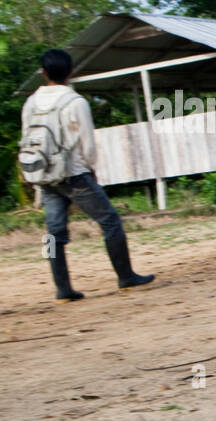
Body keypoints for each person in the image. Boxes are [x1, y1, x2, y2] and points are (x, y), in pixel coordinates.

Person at [22, 49, 154, 301]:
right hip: (74, 174)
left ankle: (62, 288)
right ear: (71, 72)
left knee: (53, 233)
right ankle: (125, 276)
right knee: (110, 221)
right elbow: (88, 144)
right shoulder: (75, 102)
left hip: (44, 175)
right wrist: (91, 167)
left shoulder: (30, 102)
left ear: (43, 72)